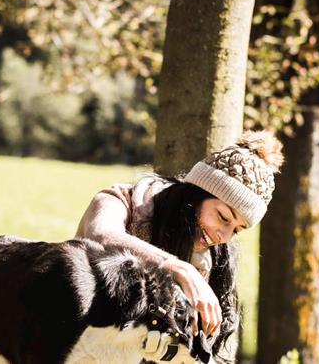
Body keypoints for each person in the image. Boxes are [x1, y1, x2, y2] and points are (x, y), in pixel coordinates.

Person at [75, 131, 284, 361]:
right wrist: (181, 270)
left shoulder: (211, 262)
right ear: (198, 193)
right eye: (223, 217)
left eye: (236, 229)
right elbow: (102, 235)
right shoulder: (120, 200)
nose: (223, 236)